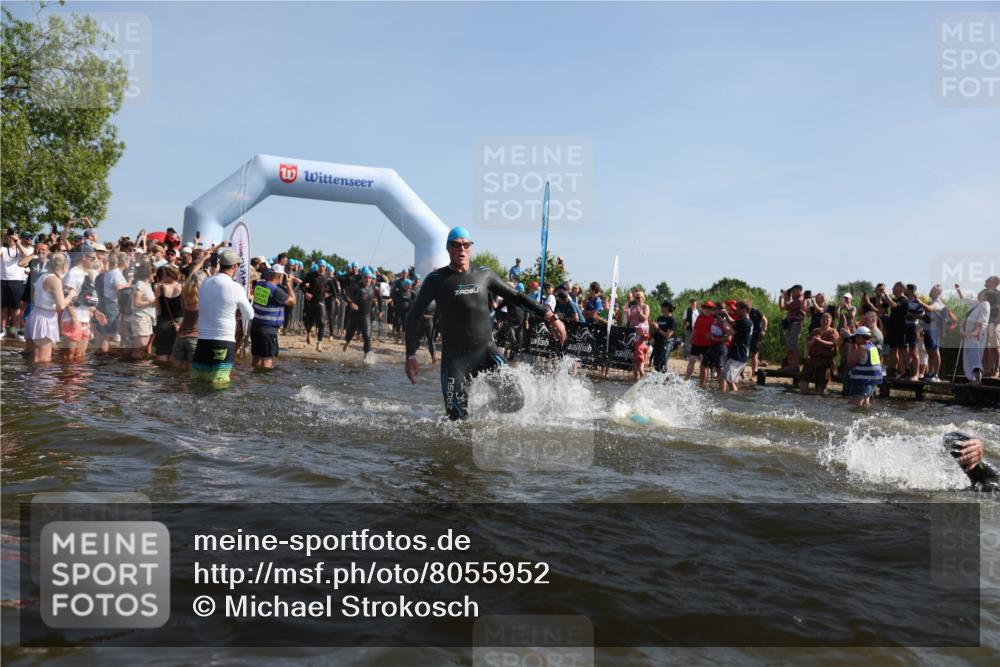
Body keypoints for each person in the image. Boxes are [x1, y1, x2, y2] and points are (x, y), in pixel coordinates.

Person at [404, 226, 565, 420]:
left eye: (466, 245)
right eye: (456, 245)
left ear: (470, 248)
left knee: (516, 400)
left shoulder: (483, 274)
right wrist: (410, 355)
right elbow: (413, 316)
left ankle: (481, 414)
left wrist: (550, 316)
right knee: (456, 421)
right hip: (455, 360)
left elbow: (516, 297)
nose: (461, 249)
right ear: (448, 248)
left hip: (487, 353)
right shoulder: (436, 279)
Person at [192, 249, 254, 384]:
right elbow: (249, 315)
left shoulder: (205, 283)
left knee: (198, 381)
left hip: (203, 340)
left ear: (220, 264)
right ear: (234, 266)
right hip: (223, 341)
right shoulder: (235, 287)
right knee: (219, 383)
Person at [24, 252, 74, 363]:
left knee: (32, 357)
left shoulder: (44, 275)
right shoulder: (54, 280)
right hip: (44, 319)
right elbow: (61, 306)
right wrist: (71, 294)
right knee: (43, 360)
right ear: (65, 265)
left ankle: (28, 374)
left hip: (36, 314)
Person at [250, 264, 295, 368]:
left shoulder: (259, 285)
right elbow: (292, 301)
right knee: (267, 360)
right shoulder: (276, 290)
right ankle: (265, 379)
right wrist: (289, 285)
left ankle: (254, 377)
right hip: (268, 331)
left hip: (255, 327)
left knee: (256, 358)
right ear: (280, 275)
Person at [2, 228, 33, 340]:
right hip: (3, 280)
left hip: (17, 281)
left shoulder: (22, 249)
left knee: (16, 308)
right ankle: (3, 330)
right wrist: (2, 238)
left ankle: (16, 330)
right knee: (3, 307)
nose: (10, 237)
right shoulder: (3, 249)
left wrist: (17, 241)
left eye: (13, 235)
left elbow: (25, 254)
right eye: (9, 235)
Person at [343, 267, 380, 360]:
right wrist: (351, 303)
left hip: (365, 315)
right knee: (350, 333)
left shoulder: (374, 288)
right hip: (355, 314)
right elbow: (345, 296)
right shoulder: (356, 287)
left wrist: (380, 310)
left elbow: (380, 298)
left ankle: (366, 356)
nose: (368, 279)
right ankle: (347, 343)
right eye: (366, 277)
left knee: (367, 336)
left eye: (369, 278)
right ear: (362, 277)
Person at [956, 285, 990, 385]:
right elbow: (963, 300)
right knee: (968, 356)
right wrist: (958, 290)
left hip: (976, 335)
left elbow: (982, 321)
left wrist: (973, 333)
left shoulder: (985, 304)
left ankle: (978, 379)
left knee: (975, 356)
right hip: (969, 335)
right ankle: (972, 379)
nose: (978, 293)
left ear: (986, 296)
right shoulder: (976, 303)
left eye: (981, 293)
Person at [799, 312, 839, 395]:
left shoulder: (833, 331)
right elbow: (808, 343)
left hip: (825, 361)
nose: (825, 321)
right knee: (803, 385)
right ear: (820, 320)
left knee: (820, 391)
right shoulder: (815, 331)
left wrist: (820, 341)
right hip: (812, 359)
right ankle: (808, 396)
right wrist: (812, 342)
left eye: (827, 320)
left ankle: (820, 391)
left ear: (830, 321)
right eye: (823, 319)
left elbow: (833, 344)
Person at [846, 326, 883, 408]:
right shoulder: (873, 347)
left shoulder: (862, 348)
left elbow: (850, 363)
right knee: (864, 407)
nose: (854, 340)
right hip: (872, 382)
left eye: (855, 337)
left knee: (853, 407)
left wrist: (850, 347)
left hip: (862, 382)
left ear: (860, 337)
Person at [125, 262, 156, 360]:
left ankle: (136, 366)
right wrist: (152, 302)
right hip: (141, 318)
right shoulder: (140, 284)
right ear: (148, 273)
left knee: (142, 348)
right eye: (154, 272)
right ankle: (135, 367)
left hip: (146, 318)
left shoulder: (147, 285)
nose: (155, 274)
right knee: (139, 349)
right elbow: (136, 302)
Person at [152, 265, 183, 363]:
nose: (162, 277)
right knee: (175, 353)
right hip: (179, 322)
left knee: (161, 352)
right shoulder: (183, 287)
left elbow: (158, 308)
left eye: (164, 275)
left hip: (164, 322)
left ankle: (161, 372)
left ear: (170, 276)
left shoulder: (160, 288)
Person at [722, 301, 753, 392]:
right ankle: (734, 397)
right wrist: (726, 314)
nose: (736, 311)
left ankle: (734, 395)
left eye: (738, 309)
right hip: (740, 353)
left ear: (745, 310)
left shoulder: (745, 322)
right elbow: (733, 323)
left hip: (739, 354)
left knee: (727, 377)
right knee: (730, 379)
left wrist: (723, 322)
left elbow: (729, 332)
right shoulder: (746, 321)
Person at [301, 262, 330, 352]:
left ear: (325, 268)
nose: (322, 268)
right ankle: (308, 333)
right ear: (318, 266)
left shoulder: (327, 278)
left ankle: (319, 343)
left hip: (321, 302)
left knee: (321, 323)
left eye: (323, 266)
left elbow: (332, 289)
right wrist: (306, 293)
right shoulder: (311, 275)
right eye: (320, 266)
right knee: (309, 322)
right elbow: (301, 285)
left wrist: (328, 293)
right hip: (311, 302)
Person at [778, 285, 806, 371]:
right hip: (791, 324)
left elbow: (788, 306)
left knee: (793, 345)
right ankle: (791, 365)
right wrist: (782, 298)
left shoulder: (800, 300)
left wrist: (786, 296)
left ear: (799, 291)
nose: (792, 293)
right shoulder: (796, 300)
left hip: (796, 324)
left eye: (794, 291)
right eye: (792, 291)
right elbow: (783, 307)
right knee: (790, 345)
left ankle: (795, 366)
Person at [982, 275, 1000, 378]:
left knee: (994, 346)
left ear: (994, 283)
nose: (985, 280)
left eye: (988, 280)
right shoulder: (985, 293)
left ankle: (997, 370)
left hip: (994, 322)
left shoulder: (997, 294)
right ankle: (986, 370)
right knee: (984, 347)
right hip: (985, 322)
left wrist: (998, 320)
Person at [652, 300, 676, 373]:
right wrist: (653, 339)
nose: (661, 307)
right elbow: (657, 331)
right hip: (658, 343)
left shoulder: (671, 320)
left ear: (667, 308)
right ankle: (657, 379)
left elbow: (668, 335)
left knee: (662, 364)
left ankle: (664, 378)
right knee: (656, 364)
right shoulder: (660, 318)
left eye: (662, 306)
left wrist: (657, 328)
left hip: (666, 343)